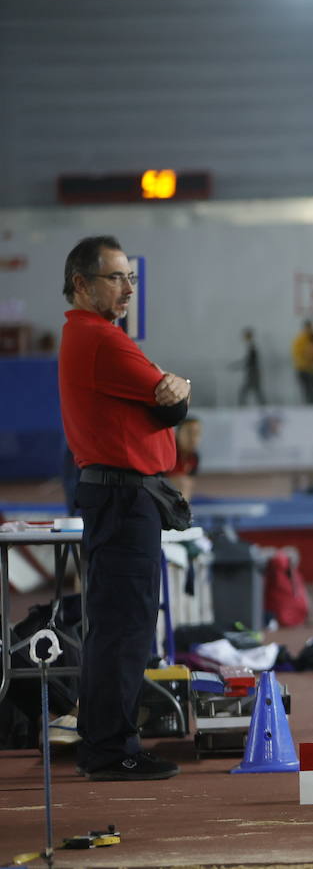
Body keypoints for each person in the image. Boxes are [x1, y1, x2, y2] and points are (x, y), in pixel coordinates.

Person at [59, 234, 189, 781]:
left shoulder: (91, 337)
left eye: (130, 277)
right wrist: (178, 386)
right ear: (81, 284)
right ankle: (113, 749)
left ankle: (104, 742)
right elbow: (170, 401)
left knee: (117, 622)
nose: (127, 288)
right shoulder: (103, 341)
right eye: (115, 278)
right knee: (125, 625)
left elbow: (164, 409)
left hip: (116, 494)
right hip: (122, 496)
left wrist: (173, 395)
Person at [168, 417, 202, 503]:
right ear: (178, 433)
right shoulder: (168, 452)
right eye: (189, 433)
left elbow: (190, 483)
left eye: (197, 433)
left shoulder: (195, 457)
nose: (193, 438)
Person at [292, 320, 313, 405]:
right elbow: (296, 353)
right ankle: (306, 406)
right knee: (305, 390)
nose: (310, 329)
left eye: (311, 327)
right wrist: (305, 356)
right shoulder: (300, 339)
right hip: (302, 368)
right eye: (308, 327)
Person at [234, 327, 265, 406]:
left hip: (252, 372)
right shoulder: (251, 346)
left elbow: (250, 361)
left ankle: (241, 405)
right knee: (256, 390)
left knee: (248, 390)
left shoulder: (252, 346)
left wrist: (237, 365)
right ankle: (263, 405)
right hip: (253, 372)